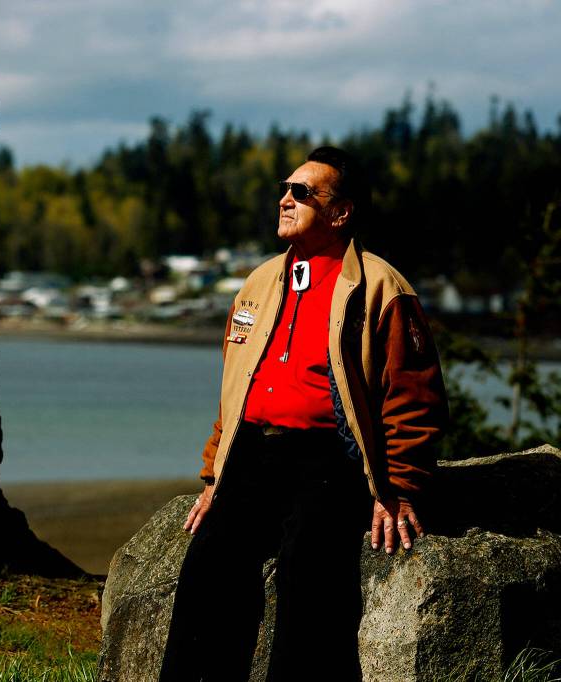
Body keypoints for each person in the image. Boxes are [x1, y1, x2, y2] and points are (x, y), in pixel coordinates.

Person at [158, 146, 448, 681]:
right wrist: (213, 475)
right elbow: (234, 390)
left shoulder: (381, 285)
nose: (284, 200)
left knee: (308, 571)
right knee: (208, 566)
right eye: (285, 189)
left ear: (340, 213)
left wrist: (400, 487)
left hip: (332, 459)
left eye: (302, 193)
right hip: (254, 452)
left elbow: (415, 396)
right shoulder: (258, 282)